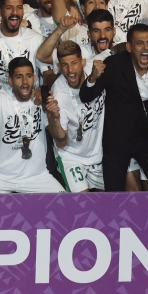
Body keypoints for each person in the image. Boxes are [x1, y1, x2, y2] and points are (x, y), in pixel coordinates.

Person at [80, 25, 148, 191]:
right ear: (129, 47)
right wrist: (92, 77)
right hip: (118, 143)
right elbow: (86, 96)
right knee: (113, 193)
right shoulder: (114, 65)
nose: (145, 47)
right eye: (140, 43)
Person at [0, 57, 66, 194]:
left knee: (66, 208)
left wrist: (55, 119)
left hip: (37, 177)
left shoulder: (42, 100)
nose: (25, 81)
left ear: (35, 78)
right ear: (10, 81)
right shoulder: (0, 99)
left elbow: (62, 142)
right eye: (19, 77)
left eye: (29, 76)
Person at [52, 40, 107, 192]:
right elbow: (62, 143)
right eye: (64, 64)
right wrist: (54, 119)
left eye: (74, 63)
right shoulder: (59, 94)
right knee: (81, 205)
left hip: (97, 156)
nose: (70, 70)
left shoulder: (94, 67)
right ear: (59, 67)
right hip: (72, 158)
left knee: (107, 204)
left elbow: (119, 49)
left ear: (83, 62)